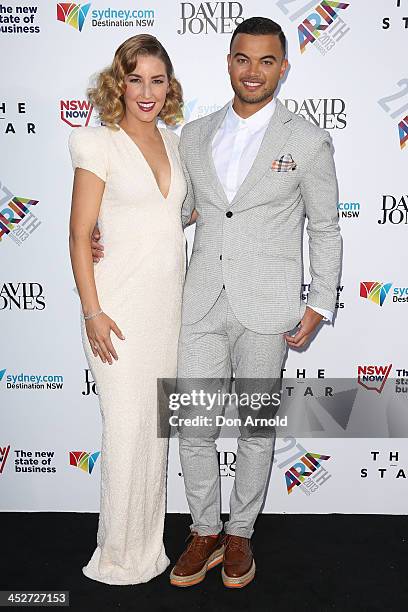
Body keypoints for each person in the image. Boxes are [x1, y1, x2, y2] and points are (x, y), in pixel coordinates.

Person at [92, 17, 342, 589]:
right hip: (200, 303)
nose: (252, 71)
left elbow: (326, 229)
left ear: (283, 66)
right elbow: (173, 210)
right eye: (242, 59)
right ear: (228, 61)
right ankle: (204, 529)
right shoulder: (195, 136)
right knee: (194, 425)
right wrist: (108, 230)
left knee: (256, 428)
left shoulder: (307, 140)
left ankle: (241, 535)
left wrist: (319, 302)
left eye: (266, 61)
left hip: (269, 306)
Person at [68, 34, 193, 585]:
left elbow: (171, 218)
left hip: (167, 309)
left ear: (170, 87)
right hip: (117, 309)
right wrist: (93, 311)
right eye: (135, 78)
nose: (147, 91)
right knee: (124, 431)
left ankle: (148, 550)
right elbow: (77, 233)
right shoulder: (98, 142)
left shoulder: (176, 141)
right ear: (119, 83)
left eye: (157, 80)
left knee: (154, 434)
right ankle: (117, 556)